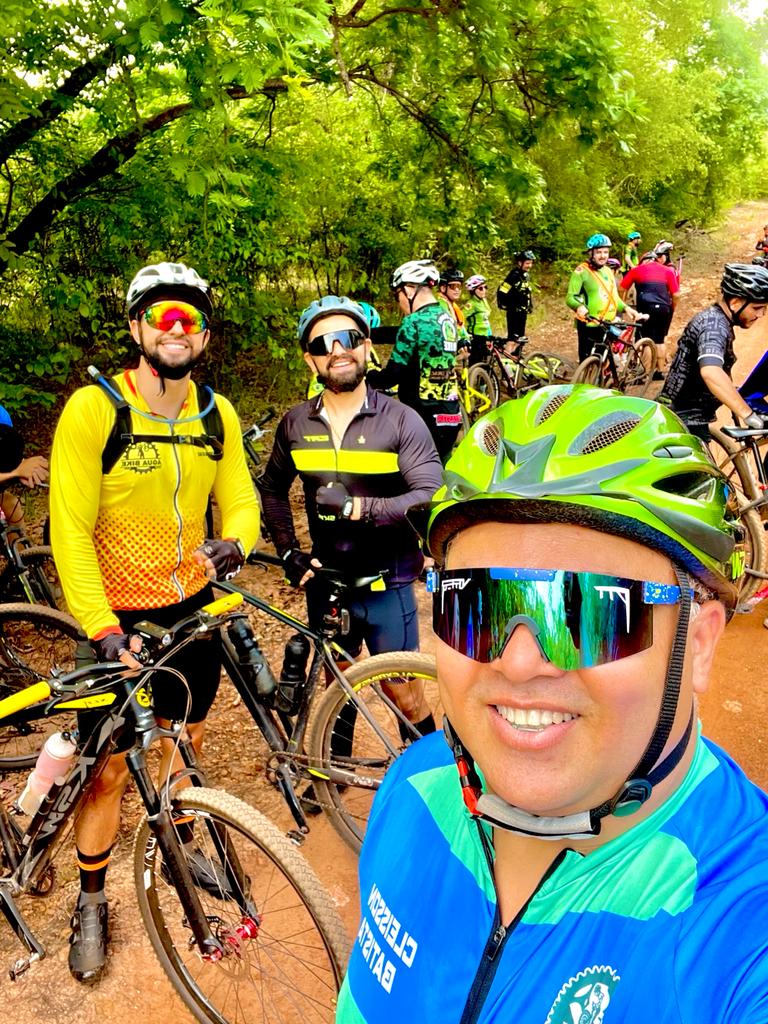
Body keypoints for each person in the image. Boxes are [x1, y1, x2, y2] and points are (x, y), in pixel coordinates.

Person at [337, 384, 767, 1023]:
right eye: (475, 605)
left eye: (589, 610)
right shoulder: (412, 786)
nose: (517, 662)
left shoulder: (741, 928)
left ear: (700, 644)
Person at [49, 261, 260, 985]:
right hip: (114, 619)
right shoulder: (94, 409)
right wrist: (103, 629)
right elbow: (69, 533)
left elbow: (240, 500)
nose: (177, 329)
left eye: (191, 318)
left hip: (190, 614)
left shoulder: (216, 414)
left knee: (179, 745)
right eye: (162, 317)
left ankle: (174, 839)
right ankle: (92, 897)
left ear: (205, 334)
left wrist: (238, 541)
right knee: (107, 773)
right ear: (137, 328)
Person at [259, 294, 442, 736]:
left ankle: (431, 784)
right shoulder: (296, 423)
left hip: (388, 583)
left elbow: (430, 494)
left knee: (405, 694)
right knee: (335, 684)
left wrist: (361, 508)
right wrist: (288, 553)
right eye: (323, 344)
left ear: (365, 346)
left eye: (348, 338)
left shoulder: (401, 420)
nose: (337, 350)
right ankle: (332, 772)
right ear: (310, 360)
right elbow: (271, 487)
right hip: (327, 581)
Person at [659, 262, 768, 440]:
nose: (762, 314)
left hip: (690, 416)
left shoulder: (717, 319)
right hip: (683, 422)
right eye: (757, 308)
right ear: (735, 302)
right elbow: (711, 371)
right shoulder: (714, 326)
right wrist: (747, 414)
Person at [367, 260, 462, 461]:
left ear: (409, 289)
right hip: (449, 415)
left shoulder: (413, 322)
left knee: (414, 481)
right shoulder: (445, 318)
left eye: (397, 295)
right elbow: (415, 338)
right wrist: (369, 334)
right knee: (441, 476)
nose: (398, 301)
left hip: (421, 419)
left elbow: (390, 377)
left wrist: (368, 375)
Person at [566, 233, 641, 362]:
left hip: (607, 322)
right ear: (591, 254)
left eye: (605, 252)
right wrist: (579, 306)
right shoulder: (581, 271)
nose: (603, 256)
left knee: (604, 360)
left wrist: (627, 308)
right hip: (589, 323)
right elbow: (570, 297)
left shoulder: (607, 271)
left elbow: (614, 298)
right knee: (587, 360)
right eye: (599, 252)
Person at [620, 249, 680, 377]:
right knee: (659, 340)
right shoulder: (668, 271)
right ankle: (659, 371)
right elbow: (676, 294)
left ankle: (644, 373)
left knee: (645, 339)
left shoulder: (636, 270)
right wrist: (671, 308)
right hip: (664, 308)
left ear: (643, 261)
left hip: (645, 307)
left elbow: (622, 288)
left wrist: (623, 305)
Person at [496, 251, 534, 340]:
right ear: (520, 263)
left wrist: (530, 305)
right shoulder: (513, 275)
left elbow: (527, 291)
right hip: (513, 312)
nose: (529, 266)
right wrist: (509, 304)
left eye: (531, 263)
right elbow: (503, 290)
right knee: (513, 338)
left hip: (523, 311)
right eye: (527, 263)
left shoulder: (526, 275)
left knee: (521, 337)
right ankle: (509, 353)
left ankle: (517, 354)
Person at [462, 274, 493, 364]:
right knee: (476, 362)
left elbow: (486, 320)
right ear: (473, 290)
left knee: (487, 361)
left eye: (485, 287)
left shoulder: (484, 301)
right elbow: (460, 318)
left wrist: (489, 335)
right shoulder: (471, 304)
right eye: (480, 288)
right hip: (476, 337)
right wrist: (464, 334)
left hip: (486, 335)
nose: (484, 290)